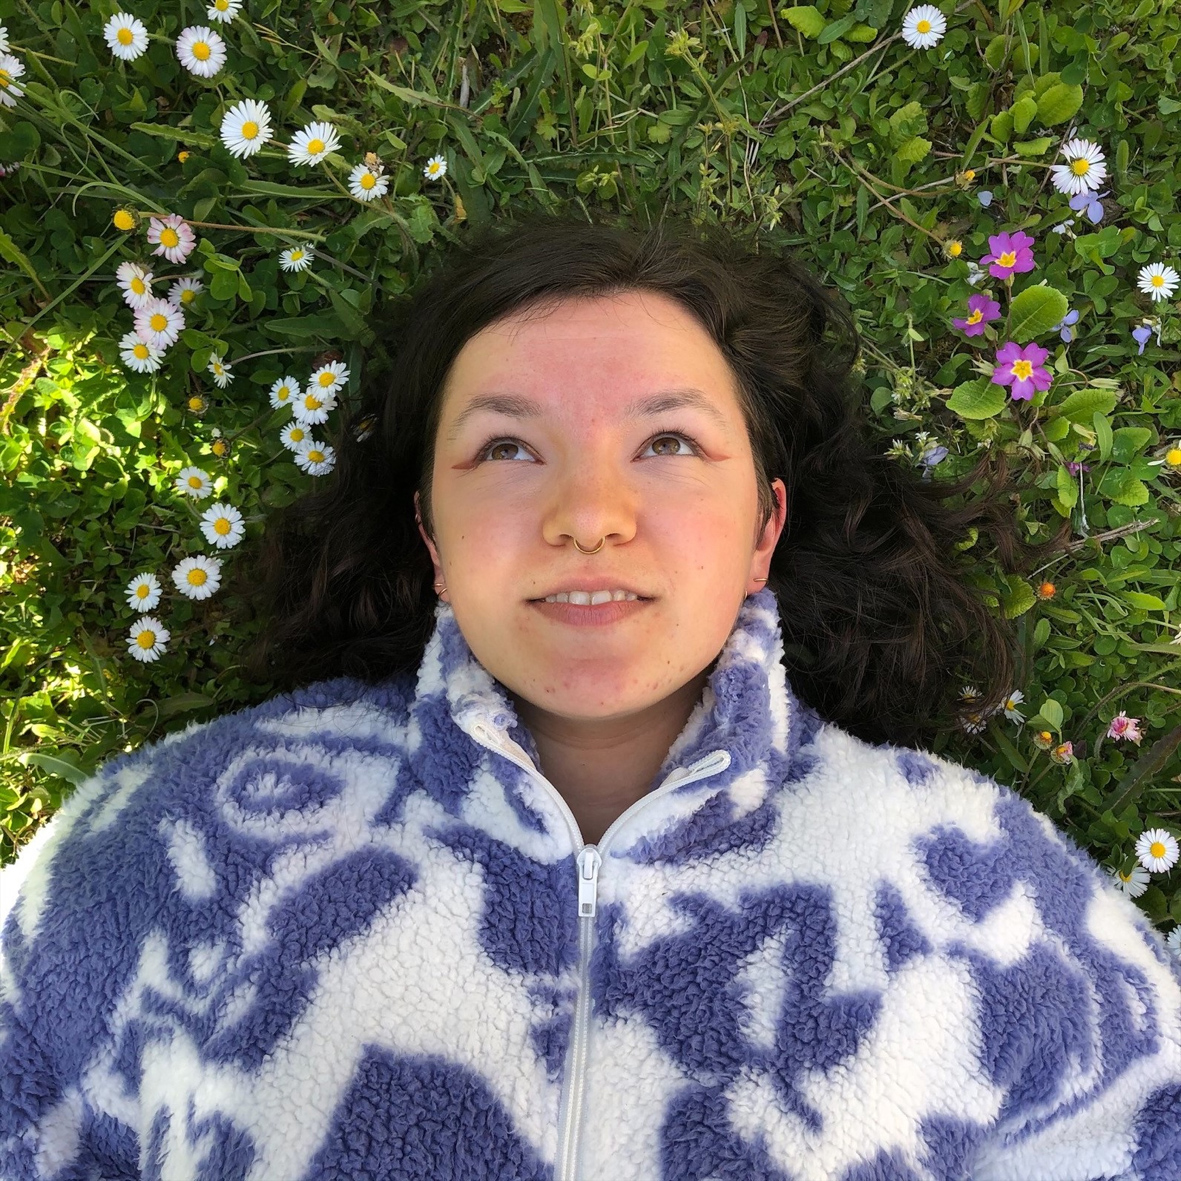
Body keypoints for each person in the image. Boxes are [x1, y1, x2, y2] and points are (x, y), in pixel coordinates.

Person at [2, 214, 1179, 1181]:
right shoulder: (158, 850)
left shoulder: (992, 900)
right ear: (431, 535)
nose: (588, 514)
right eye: (507, 449)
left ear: (762, 528)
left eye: (666, 442)